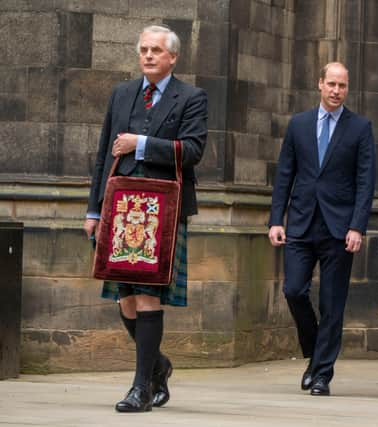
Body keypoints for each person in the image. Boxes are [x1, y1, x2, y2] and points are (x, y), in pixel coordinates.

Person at [83, 25, 208, 412]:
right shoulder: (122, 94)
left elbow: (192, 150)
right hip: (119, 208)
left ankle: (141, 389)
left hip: (163, 211)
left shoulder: (191, 97)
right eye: (143, 50)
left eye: (156, 50)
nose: (148, 56)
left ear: (173, 57)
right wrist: (94, 209)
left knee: (148, 295)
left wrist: (141, 144)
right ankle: (157, 365)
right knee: (125, 299)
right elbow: (105, 153)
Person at [268, 62, 376, 396]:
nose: (336, 91)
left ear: (347, 88)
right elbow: (285, 174)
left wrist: (358, 226)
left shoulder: (360, 127)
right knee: (293, 291)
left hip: (339, 229)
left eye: (342, 86)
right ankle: (315, 354)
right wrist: (276, 219)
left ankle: (322, 374)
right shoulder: (299, 124)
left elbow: (365, 181)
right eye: (331, 84)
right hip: (300, 223)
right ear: (320, 84)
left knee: (332, 304)